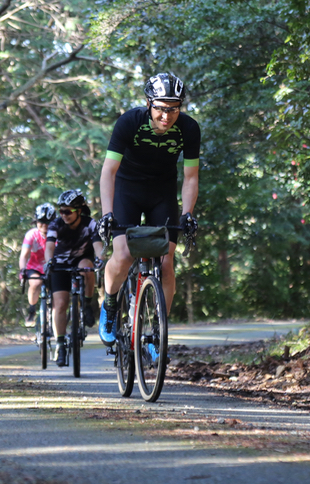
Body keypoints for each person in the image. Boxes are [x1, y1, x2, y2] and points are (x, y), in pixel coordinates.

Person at [97, 73, 200, 347]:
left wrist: (187, 213)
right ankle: (109, 306)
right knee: (123, 256)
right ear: (148, 103)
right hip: (127, 190)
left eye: (174, 109)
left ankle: (157, 332)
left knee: (166, 263)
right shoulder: (129, 122)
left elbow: (190, 177)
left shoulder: (189, 129)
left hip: (161, 192)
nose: (167, 116)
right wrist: (107, 214)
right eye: (161, 108)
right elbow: (109, 171)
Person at [45, 190, 104, 367]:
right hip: (60, 264)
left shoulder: (90, 224)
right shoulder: (56, 224)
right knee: (60, 304)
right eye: (61, 211)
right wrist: (49, 261)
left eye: (68, 211)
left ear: (79, 210)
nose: (64, 215)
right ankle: (61, 344)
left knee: (87, 266)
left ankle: (86, 304)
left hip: (81, 261)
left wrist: (102, 260)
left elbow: (98, 246)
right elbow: (49, 246)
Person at [18, 203, 56, 326]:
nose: (44, 225)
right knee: (35, 283)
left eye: (47, 222)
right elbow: (24, 255)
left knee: (57, 293)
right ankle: (32, 310)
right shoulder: (31, 235)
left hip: (53, 268)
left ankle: (53, 321)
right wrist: (22, 270)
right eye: (41, 221)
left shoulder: (57, 234)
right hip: (35, 268)